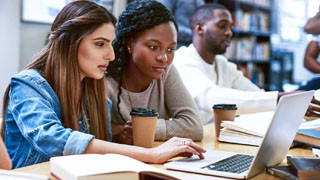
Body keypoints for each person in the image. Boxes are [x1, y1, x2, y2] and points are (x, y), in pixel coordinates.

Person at [2, 1, 205, 169]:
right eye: (100, 44)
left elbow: (100, 155)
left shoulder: (93, 89)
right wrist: (150, 154)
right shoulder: (28, 84)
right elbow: (53, 139)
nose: (111, 55)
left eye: (110, 43)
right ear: (69, 43)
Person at [173, 3, 320, 124]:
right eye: (222, 25)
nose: (229, 32)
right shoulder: (182, 60)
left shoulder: (223, 65)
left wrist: (293, 111)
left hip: (210, 139)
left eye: (230, 27)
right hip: (184, 144)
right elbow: (211, 98)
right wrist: (281, 98)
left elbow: (257, 96)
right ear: (200, 28)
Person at [106, 0, 203, 145]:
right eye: (153, 47)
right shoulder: (103, 77)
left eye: (170, 49)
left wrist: (143, 128)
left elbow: (194, 127)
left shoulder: (165, 71)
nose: (163, 58)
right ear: (130, 44)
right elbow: (91, 130)